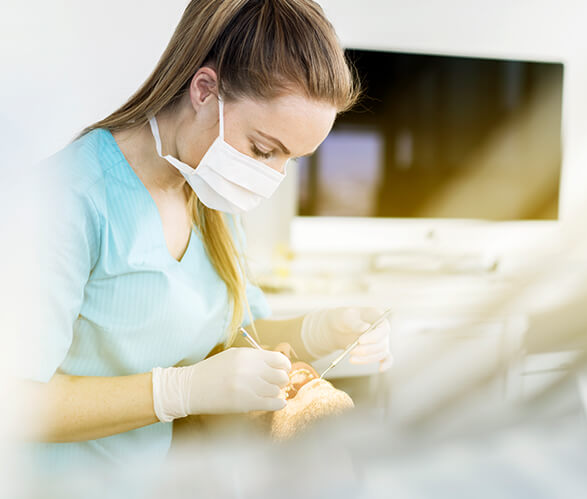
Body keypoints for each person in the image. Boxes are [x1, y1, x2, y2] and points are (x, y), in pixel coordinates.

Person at [16, 0, 392, 474]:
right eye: (263, 149)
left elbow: (231, 337)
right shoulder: (68, 199)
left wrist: (319, 330)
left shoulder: (208, 191)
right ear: (204, 90)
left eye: (290, 160)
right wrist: (177, 391)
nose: (271, 176)